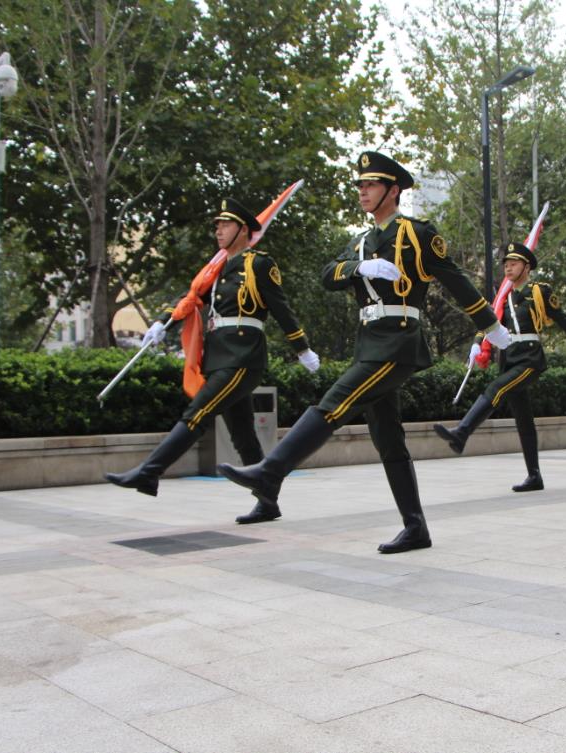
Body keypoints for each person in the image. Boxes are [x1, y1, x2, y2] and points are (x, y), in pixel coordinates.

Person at [219, 151, 510, 553]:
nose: (362, 191)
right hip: (369, 344)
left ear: (393, 191)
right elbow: (327, 275)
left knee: (335, 402)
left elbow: (456, 280)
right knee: (388, 438)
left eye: (370, 185)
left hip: (398, 341)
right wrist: (360, 269)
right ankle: (415, 528)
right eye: (359, 185)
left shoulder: (417, 234)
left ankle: (271, 471)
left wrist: (491, 326)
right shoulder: (360, 243)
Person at [105, 197, 319, 496]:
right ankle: (266, 497)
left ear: (243, 230)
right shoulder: (216, 270)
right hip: (218, 357)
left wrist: (302, 349)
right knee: (242, 434)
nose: (218, 231)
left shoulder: (258, 264)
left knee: (197, 413)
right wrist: (162, 322)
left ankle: (149, 472)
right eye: (217, 225)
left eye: (225, 225)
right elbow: (190, 299)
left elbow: (282, 309)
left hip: (243, 357)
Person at [433, 242, 566, 492]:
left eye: (514, 264)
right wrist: (477, 343)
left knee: (496, 389)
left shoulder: (539, 291)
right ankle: (534, 476)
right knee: (523, 419)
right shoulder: (504, 298)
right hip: (510, 358)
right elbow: (490, 321)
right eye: (506, 265)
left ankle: (462, 432)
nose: (508, 268)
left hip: (530, 358)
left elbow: (562, 317)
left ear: (526, 267)